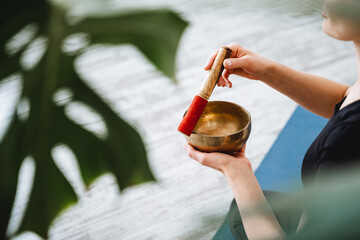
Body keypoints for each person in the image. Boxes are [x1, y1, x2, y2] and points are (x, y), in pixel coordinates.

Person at [183, 0, 360, 239]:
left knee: (244, 213)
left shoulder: (344, 142)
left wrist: (236, 170)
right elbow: (345, 100)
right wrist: (266, 70)